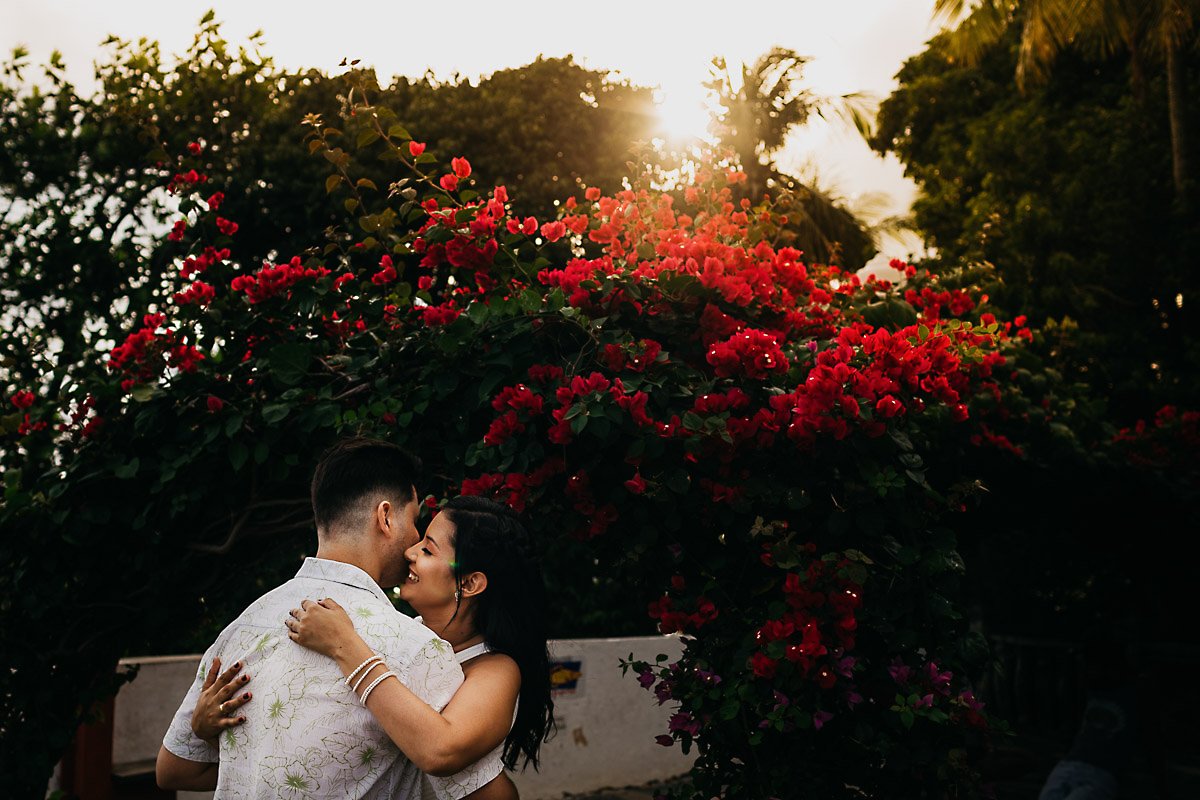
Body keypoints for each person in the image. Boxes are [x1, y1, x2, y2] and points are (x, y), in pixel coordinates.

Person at [155, 437, 505, 799]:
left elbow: (174, 769)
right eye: (415, 522)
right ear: (385, 517)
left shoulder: (242, 628)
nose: (415, 542)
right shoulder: (416, 650)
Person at [196, 495, 555, 800]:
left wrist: (345, 646)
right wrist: (205, 732)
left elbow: (442, 750)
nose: (409, 552)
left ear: (471, 582)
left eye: (428, 549)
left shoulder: (494, 669)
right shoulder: (399, 638)